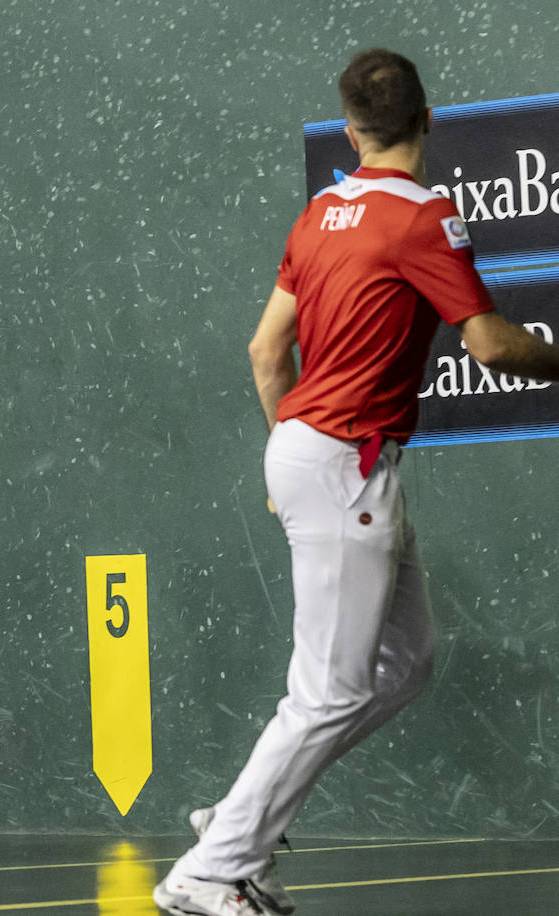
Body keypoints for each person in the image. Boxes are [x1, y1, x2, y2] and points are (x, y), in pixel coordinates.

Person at [155, 49, 559, 916]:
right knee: (330, 691)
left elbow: (267, 353)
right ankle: (209, 869)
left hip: (312, 449)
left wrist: (288, 452)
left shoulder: (318, 216)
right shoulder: (425, 216)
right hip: (345, 461)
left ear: (351, 128)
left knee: (404, 663)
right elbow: (489, 344)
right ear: (427, 120)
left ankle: (234, 818)